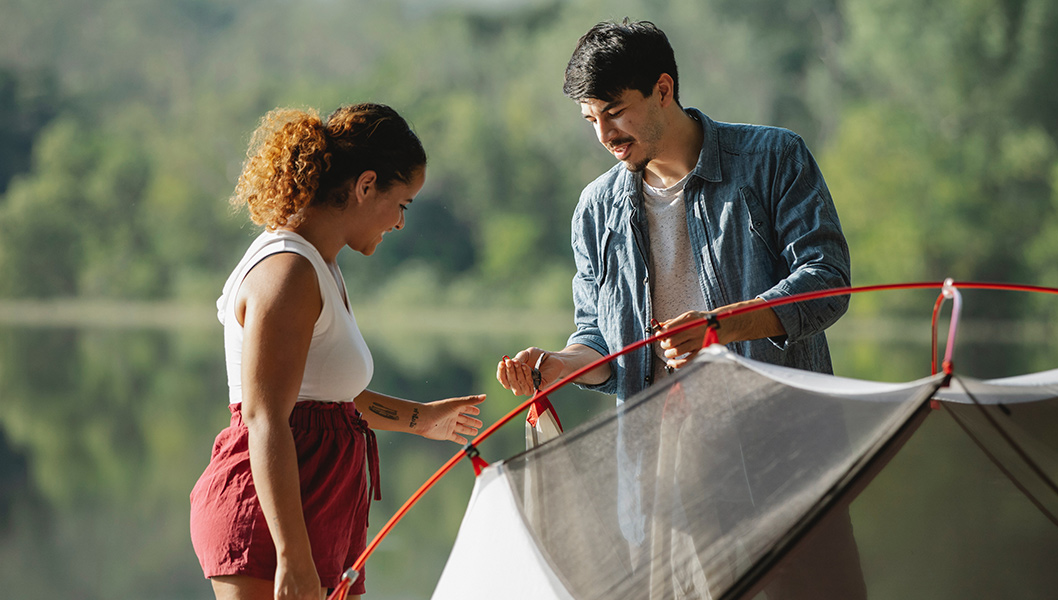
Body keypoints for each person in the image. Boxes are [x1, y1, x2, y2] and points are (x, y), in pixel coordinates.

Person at [496, 19, 860, 598]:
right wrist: (559, 366)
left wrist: (719, 326)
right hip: (660, 486)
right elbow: (598, 340)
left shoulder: (772, 158)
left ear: (663, 89)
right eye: (591, 120)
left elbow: (826, 283)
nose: (605, 135)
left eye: (615, 111)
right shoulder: (595, 209)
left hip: (783, 465)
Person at [190, 103, 486, 600]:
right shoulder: (286, 272)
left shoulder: (319, 266)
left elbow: (325, 401)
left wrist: (422, 418)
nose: (399, 223)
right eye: (403, 203)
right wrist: (292, 555)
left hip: (318, 513)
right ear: (366, 185)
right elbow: (265, 419)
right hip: (272, 526)